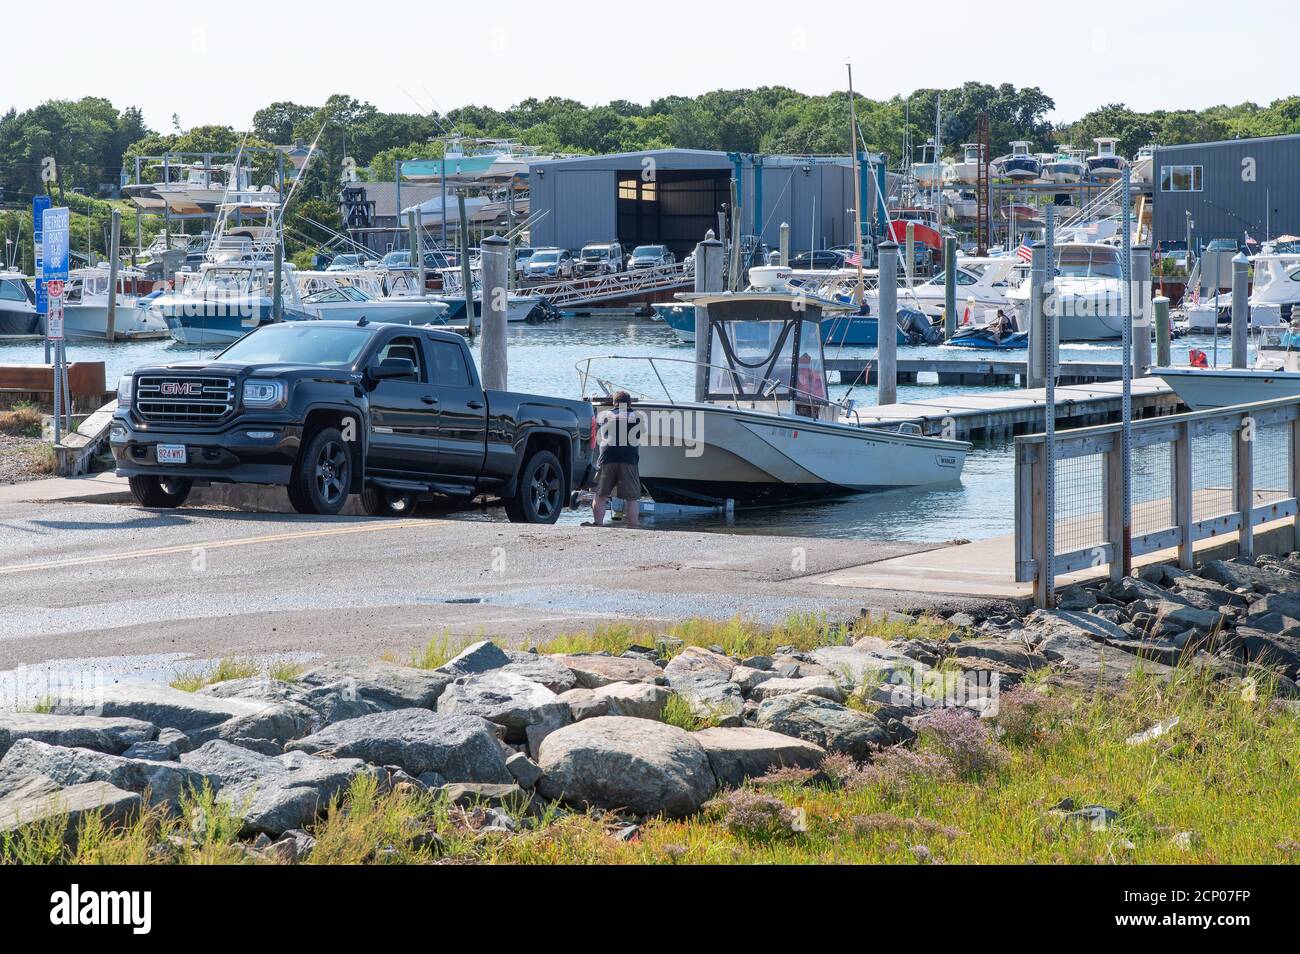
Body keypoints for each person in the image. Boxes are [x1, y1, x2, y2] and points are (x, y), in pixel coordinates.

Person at [589, 391, 643, 528]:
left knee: (600, 494)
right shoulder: (637, 416)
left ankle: (598, 524)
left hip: (607, 457)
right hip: (628, 458)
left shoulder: (605, 415)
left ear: (614, 403)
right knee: (631, 498)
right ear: (630, 403)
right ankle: (632, 527)